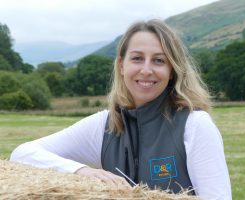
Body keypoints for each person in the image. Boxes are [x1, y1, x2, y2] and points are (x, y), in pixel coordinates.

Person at [10, 19, 232, 199]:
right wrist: (82, 171)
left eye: (158, 61)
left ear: (172, 70)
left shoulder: (194, 125)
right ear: (121, 64)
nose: (146, 70)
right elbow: (22, 154)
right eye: (137, 58)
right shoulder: (104, 125)